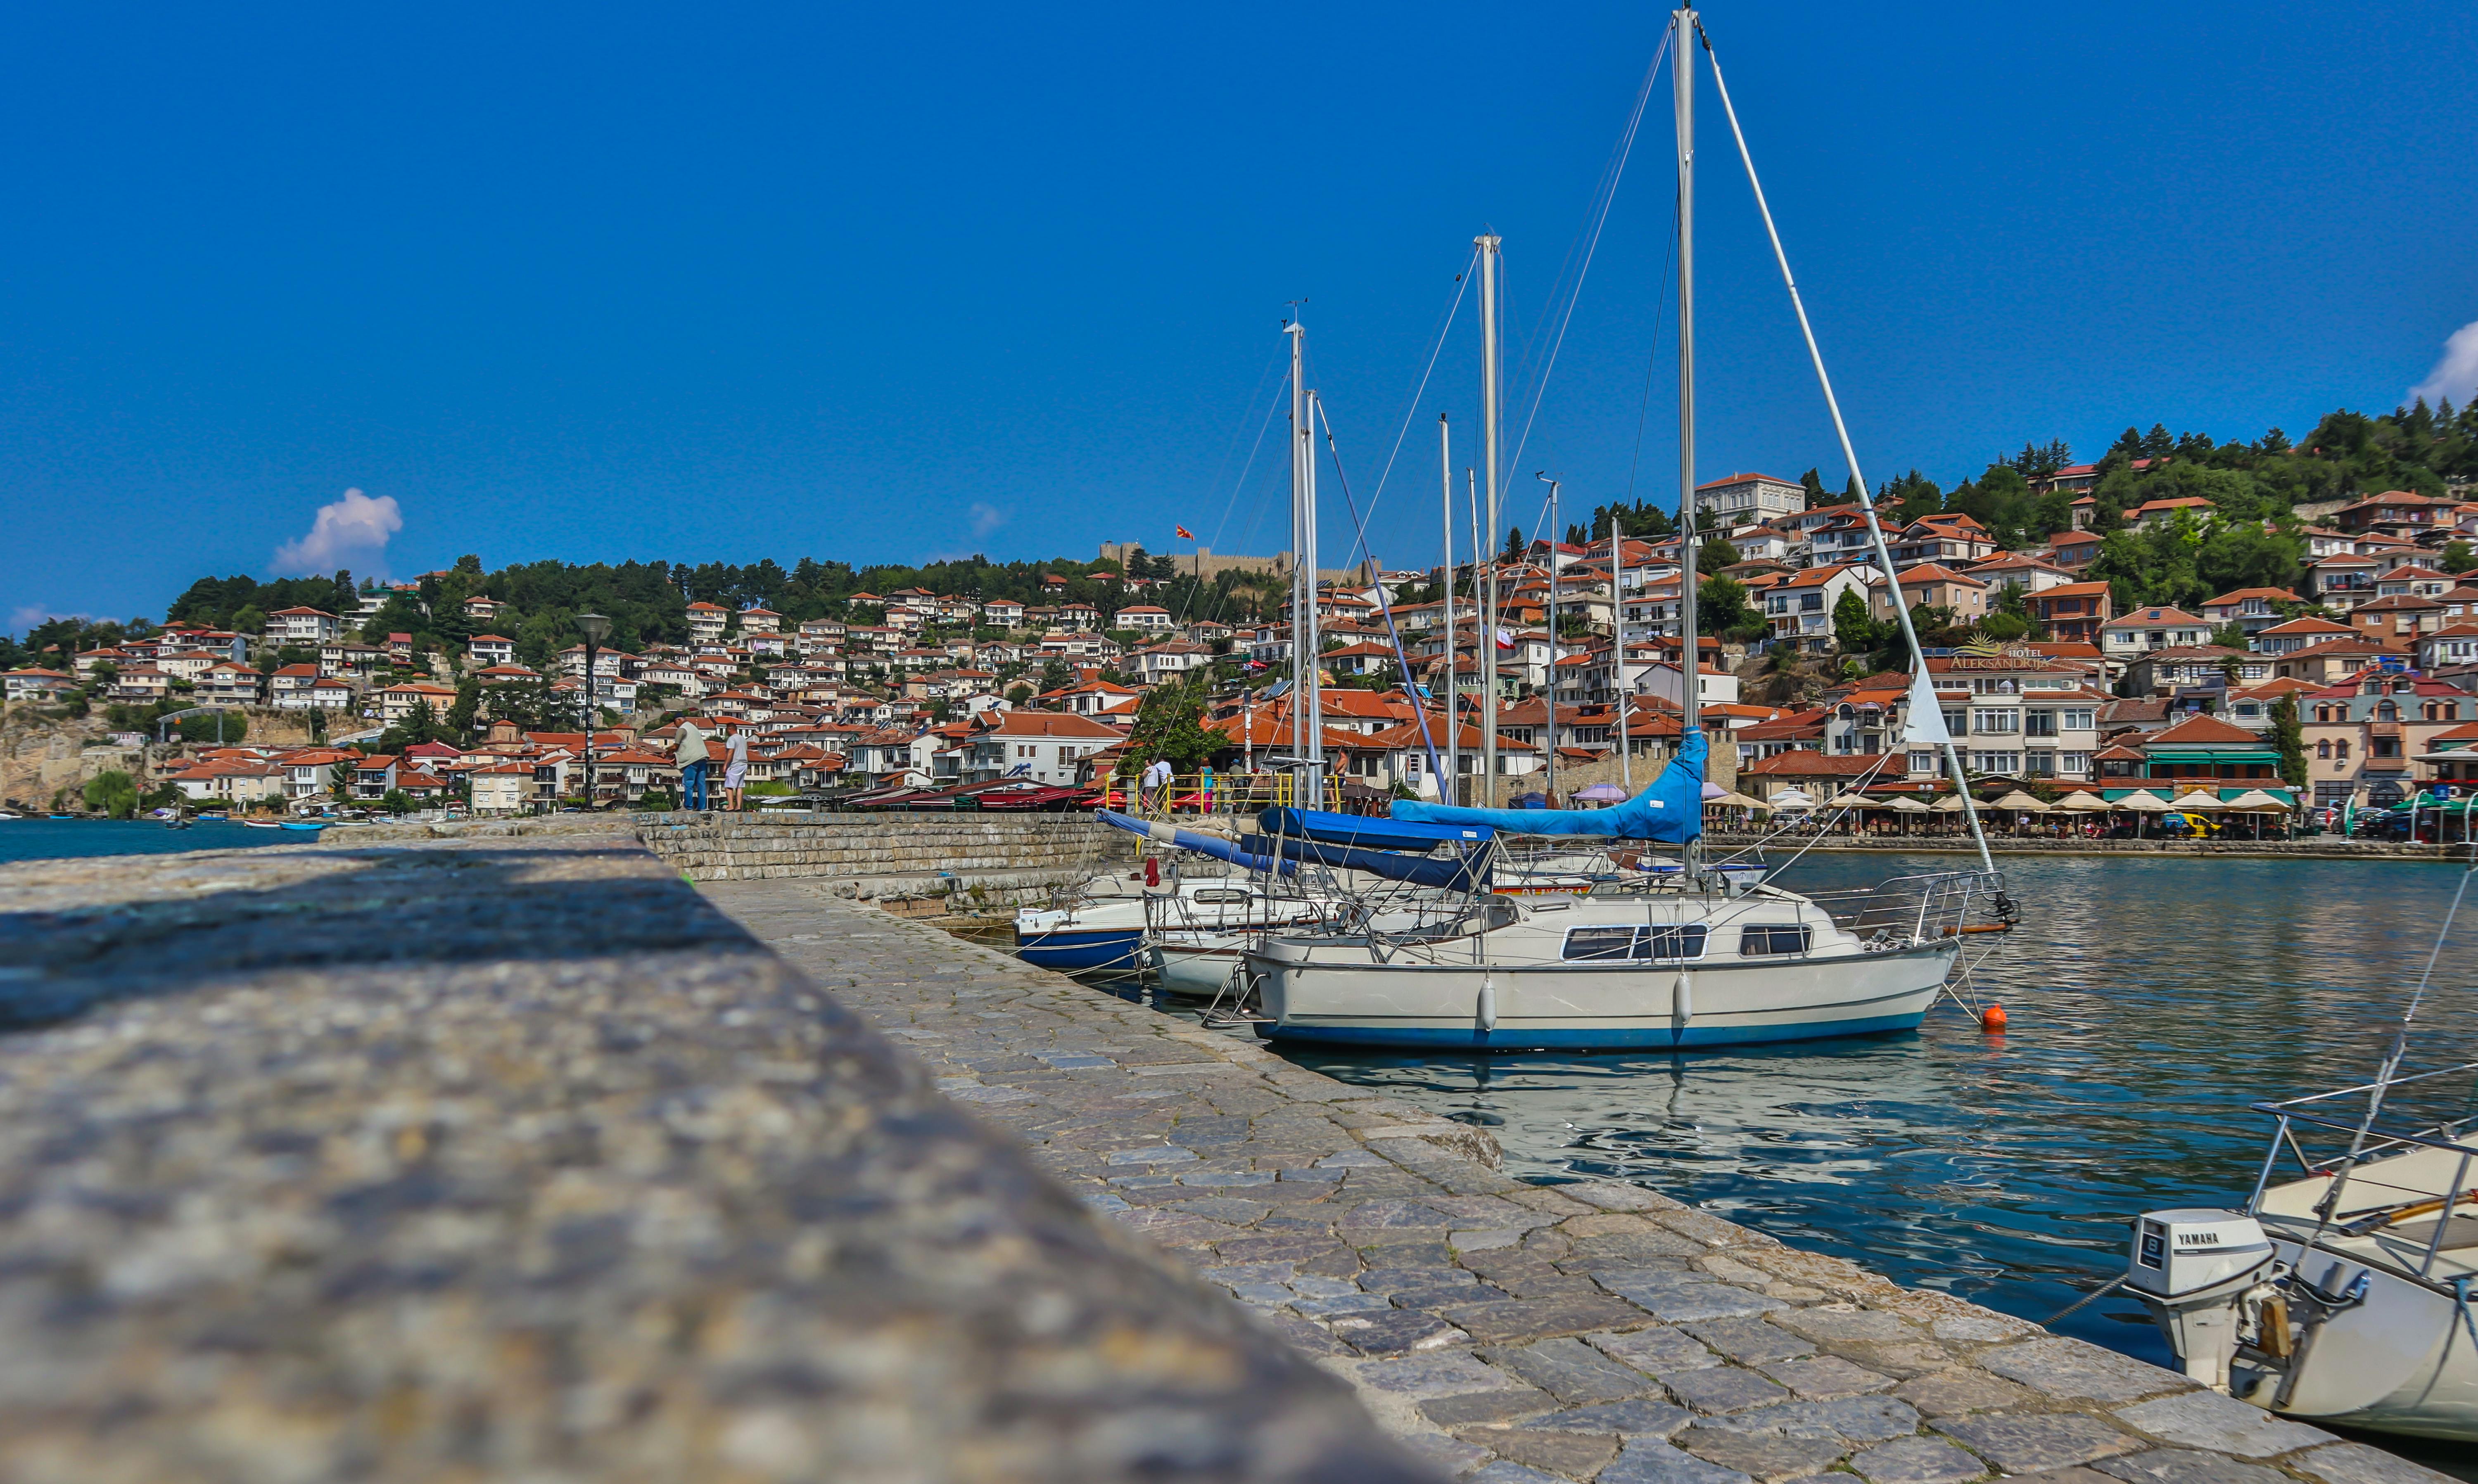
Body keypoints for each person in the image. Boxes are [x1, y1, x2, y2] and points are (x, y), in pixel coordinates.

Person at [674, 718, 711, 811]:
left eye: (675, 723)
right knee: (701, 784)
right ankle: (702, 807)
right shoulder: (693, 728)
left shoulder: (682, 729)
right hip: (703, 757)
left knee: (689, 783)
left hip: (692, 760)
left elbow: (676, 746)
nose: (676, 726)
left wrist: (666, 753)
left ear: (679, 720)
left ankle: (688, 806)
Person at [723, 721, 751, 811]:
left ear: (730, 729)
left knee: (728, 785)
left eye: (727, 730)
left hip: (735, 764)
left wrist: (725, 765)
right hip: (744, 764)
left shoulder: (732, 739)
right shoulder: (743, 739)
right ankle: (738, 806)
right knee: (740, 786)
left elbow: (731, 752)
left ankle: (731, 806)